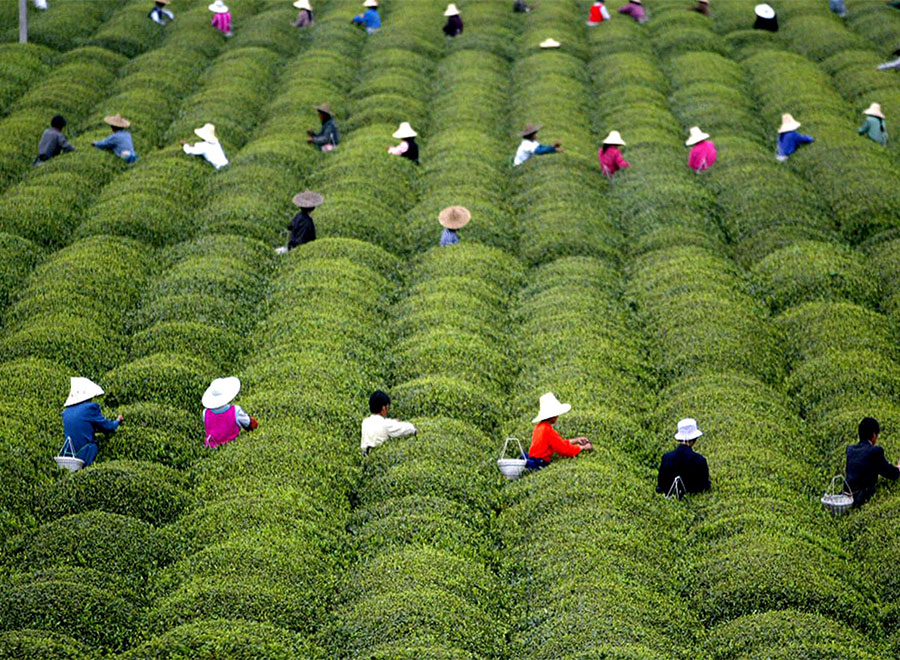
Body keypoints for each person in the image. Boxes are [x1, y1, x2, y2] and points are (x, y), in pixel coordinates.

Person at [61, 378, 123, 468]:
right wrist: (117, 421)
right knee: (95, 446)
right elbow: (108, 427)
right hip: (84, 453)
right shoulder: (89, 408)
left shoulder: (66, 412)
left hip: (69, 453)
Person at [526, 393, 593, 470]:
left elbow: (558, 442)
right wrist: (582, 447)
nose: (557, 416)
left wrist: (576, 440)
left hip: (533, 459)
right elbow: (564, 449)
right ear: (552, 416)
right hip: (540, 462)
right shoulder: (547, 430)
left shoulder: (539, 427)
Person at [846, 417, 900, 507]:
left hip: (846, 493)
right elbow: (891, 474)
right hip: (860, 497)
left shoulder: (850, 450)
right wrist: (898, 468)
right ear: (874, 435)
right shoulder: (875, 451)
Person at [656, 418, 710, 497]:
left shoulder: (666, 457)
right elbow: (705, 486)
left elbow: (660, 486)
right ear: (694, 439)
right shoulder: (700, 460)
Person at [202, 377, 257, 449]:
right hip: (232, 444)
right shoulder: (235, 411)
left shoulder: (205, 413)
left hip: (212, 447)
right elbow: (248, 423)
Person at [361, 390, 417, 456]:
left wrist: (392, 422)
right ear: (383, 408)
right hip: (380, 456)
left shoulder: (365, 422)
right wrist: (414, 430)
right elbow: (407, 428)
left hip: (365, 455)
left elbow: (380, 422)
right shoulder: (386, 424)